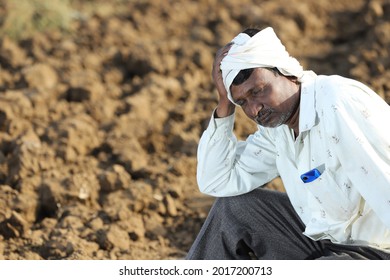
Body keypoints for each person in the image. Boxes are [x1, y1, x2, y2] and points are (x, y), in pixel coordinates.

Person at [186, 26, 390, 260]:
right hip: (323, 243)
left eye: (258, 91)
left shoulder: (338, 104)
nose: (254, 110)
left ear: (288, 72)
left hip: (376, 254)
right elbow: (217, 180)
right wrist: (225, 104)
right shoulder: (277, 130)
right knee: (233, 209)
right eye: (242, 101)